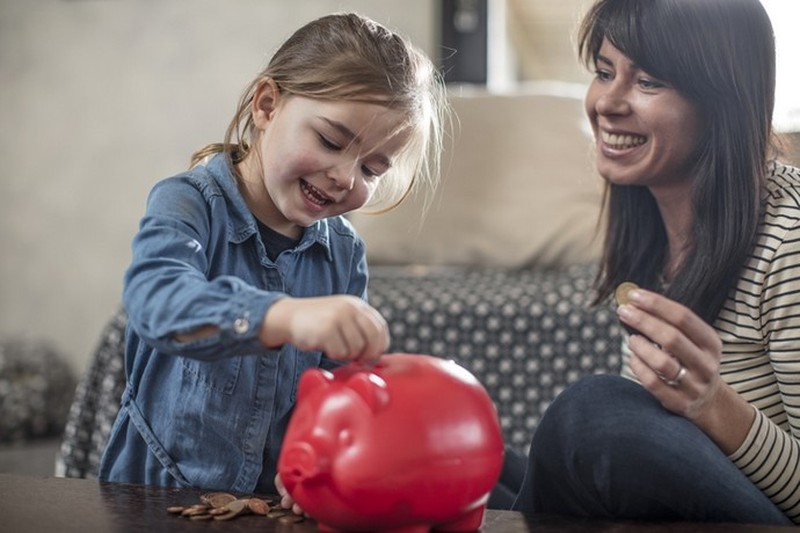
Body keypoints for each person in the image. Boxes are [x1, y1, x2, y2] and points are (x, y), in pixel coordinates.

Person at [98, 12, 447, 500]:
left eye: (371, 169)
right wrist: (281, 316)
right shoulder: (187, 202)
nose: (347, 178)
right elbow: (157, 302)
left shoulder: (344, 254)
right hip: (154, 498)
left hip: (271, 506)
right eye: (330, 140)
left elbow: (334, 392)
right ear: (266, 105)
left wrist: (324, 460)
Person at [509, 0, 800, 525]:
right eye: (604, 72)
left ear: (721, 102)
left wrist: (713, 404)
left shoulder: (790, 235)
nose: (607, 102)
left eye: (648, 82)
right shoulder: (652, 217)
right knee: (473, 454)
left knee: (590, 415)